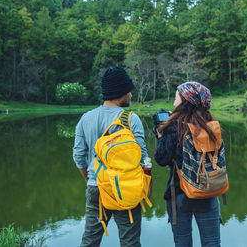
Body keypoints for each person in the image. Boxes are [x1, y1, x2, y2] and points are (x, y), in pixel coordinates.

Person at [73, 66, 152, 247]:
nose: (130, 95)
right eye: (128, 91)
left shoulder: (86, 118)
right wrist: (148, 181)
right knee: (130, 242)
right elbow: (144, 157)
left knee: (90, 241)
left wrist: (89, 179)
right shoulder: (131, 119)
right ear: (120, 92)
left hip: (96, 187)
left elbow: (78, 156)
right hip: (127, 189)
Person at [154, 82, 224, 247]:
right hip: (209, 190)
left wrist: (160, 136)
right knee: (212, 243)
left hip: (179, 193)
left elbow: (162, 159)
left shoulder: (173, 127)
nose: (173, 102)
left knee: (183, 243)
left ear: (185, 101)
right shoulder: (211, 127)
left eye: (176, 97)